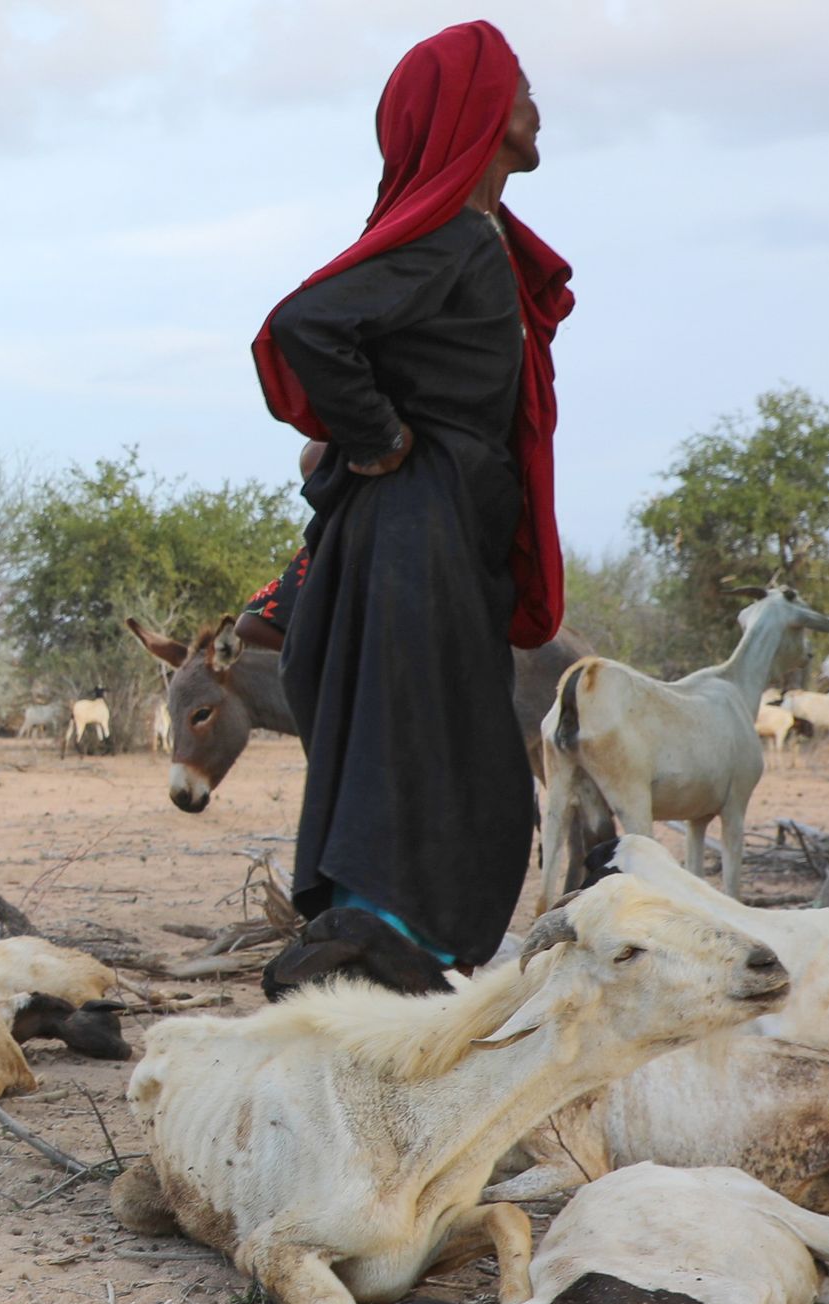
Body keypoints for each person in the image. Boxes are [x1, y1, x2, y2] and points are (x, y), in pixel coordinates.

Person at [252, 20, 573, 966]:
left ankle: (389, 953)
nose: (534, 103)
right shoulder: (457, 243)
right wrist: (380, 435)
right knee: (428, 747)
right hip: (413, 533)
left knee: (426, 742)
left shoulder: (473, 240)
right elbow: (307, 324)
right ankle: (381, 957)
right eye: (518, 86)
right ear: (480, 112)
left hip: (430, 534)